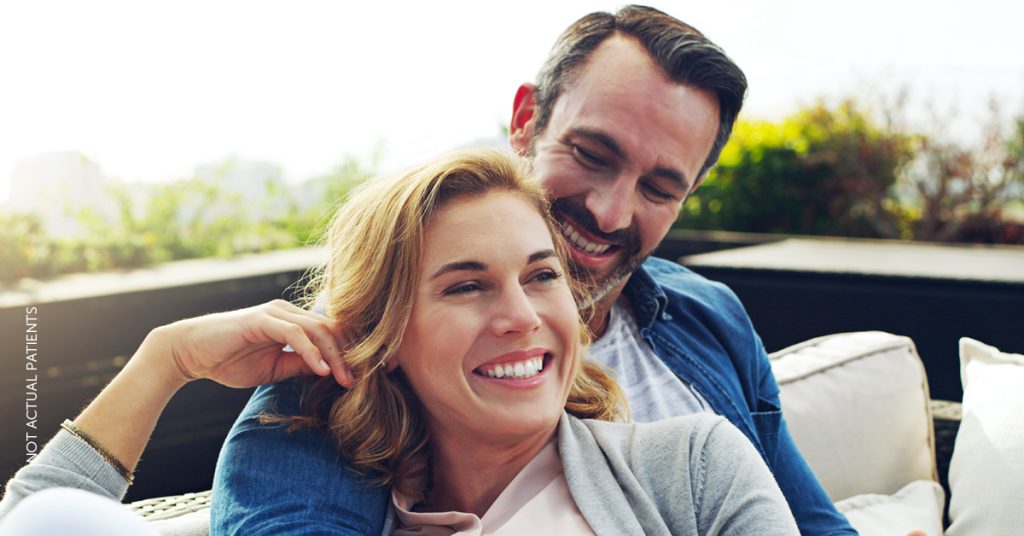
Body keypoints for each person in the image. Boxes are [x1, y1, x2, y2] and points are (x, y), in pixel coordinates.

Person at [213, 5, 856, 535]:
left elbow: (812, 522)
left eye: (660, 189)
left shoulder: (709, 319)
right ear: (526, 122)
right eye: (592, 154)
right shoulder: (342, 370)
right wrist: (163, 365)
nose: (610, 212)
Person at [0, 149, 800, 536]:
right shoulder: (337, 510)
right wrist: (166, 358)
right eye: (466, 284)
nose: (522, 314)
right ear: (385, 338)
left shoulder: (690, 466)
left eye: (542, 275)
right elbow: (42, 519)